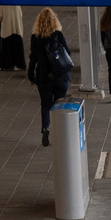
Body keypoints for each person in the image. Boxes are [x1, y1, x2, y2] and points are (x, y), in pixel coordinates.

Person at [27, 7, 71, 146]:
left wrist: (31, 76)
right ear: (54, 21)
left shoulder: (35, 38)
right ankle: (60, 133)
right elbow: (67, 52)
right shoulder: (58, 34)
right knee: (59, 104)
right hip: (60, 76)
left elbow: (32, 58)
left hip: (43, 77)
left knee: (45, 104)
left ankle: (46, 128)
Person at [0, 6, 26, 71]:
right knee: (18, 47)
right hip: (17, 28)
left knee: (6, 47)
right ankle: (19, 64)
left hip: (7, 28)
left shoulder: (2, 3)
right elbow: (20, 14)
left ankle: (7, 64)